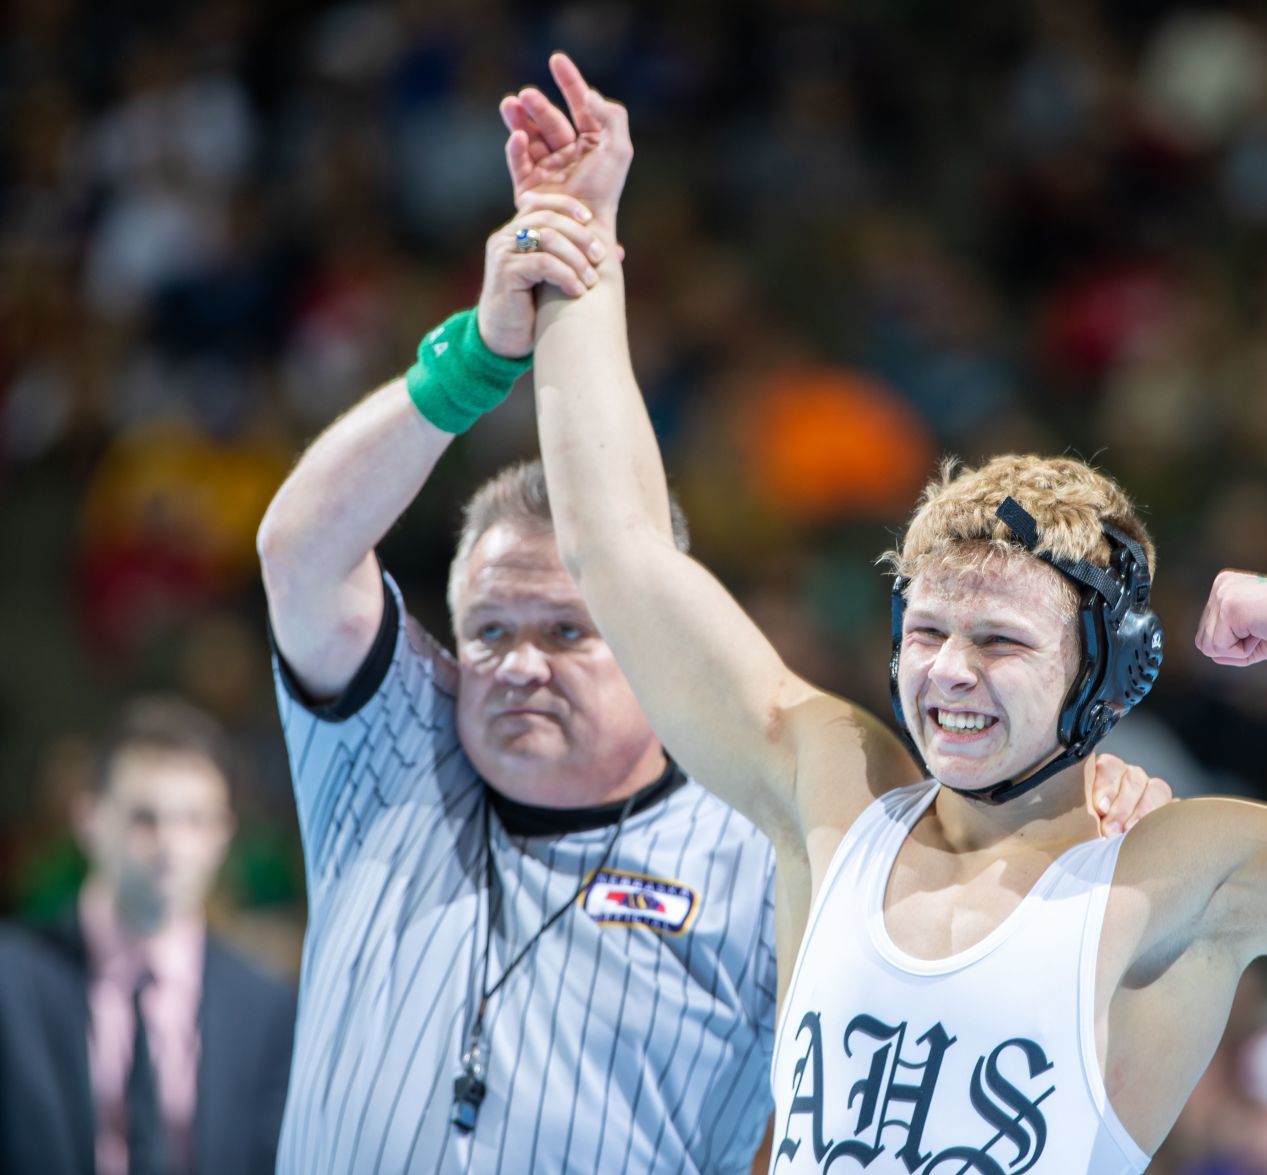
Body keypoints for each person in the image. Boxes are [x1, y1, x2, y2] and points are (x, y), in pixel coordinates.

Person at [510, 51, 1267, 1173]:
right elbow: (619, 548)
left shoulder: (1167, 877)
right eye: (925, 632)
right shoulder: (835, 790)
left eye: (999, 639)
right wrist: (582, 251)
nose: (946, 671)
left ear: (1099, 672)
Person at [253, 169, 1169, 1172]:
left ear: (650, 652)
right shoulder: (392, 753)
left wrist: (1073, 802)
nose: (517, 663)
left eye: (566, 631)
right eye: (487, 630)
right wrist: (471, 360)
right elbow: (302, 553)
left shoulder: (764, 834)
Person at [0, 696, 296, 1175]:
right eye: (145, 818)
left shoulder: (265, 1009)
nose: (170, 845)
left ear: (223, 833)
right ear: (90, 820)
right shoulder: (10, 984)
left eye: (194, 820)